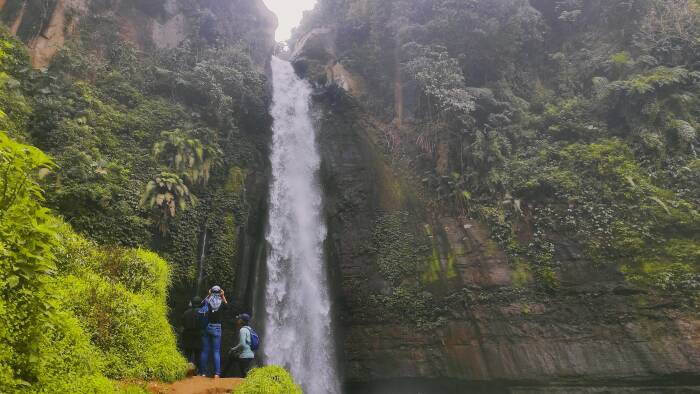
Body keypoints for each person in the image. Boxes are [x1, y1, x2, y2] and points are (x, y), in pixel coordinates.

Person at [199, 286, 228, 378]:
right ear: (220, 292)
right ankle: (217, 374)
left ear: (211, 292)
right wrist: (223, 296)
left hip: (206, 327)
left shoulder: (208, 301)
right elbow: (227, 306)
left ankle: (203, 373)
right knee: (216, 351)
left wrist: (208, 295)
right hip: (217, 328)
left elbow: (200, 304)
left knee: (205, 351)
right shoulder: (221, 303)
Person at [227, 313, 256, 377]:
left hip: (244, 356)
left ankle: (222, 376)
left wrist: (233, 349)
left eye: (239, 319)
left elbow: (242, 344)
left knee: (244, 375)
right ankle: (222, 376)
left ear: (242, 321)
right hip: (251, 355)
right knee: (232, 357)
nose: (238, 320)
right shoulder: (250, 329)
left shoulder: (242, 330)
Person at [181, 296, 203, 371]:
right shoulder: (202, 313)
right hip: (198, 334)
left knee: (187, 354)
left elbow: (183, 323)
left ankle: (186, 370)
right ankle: (197, 371)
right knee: (198, 354)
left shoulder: (186, 312)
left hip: (187, 334)